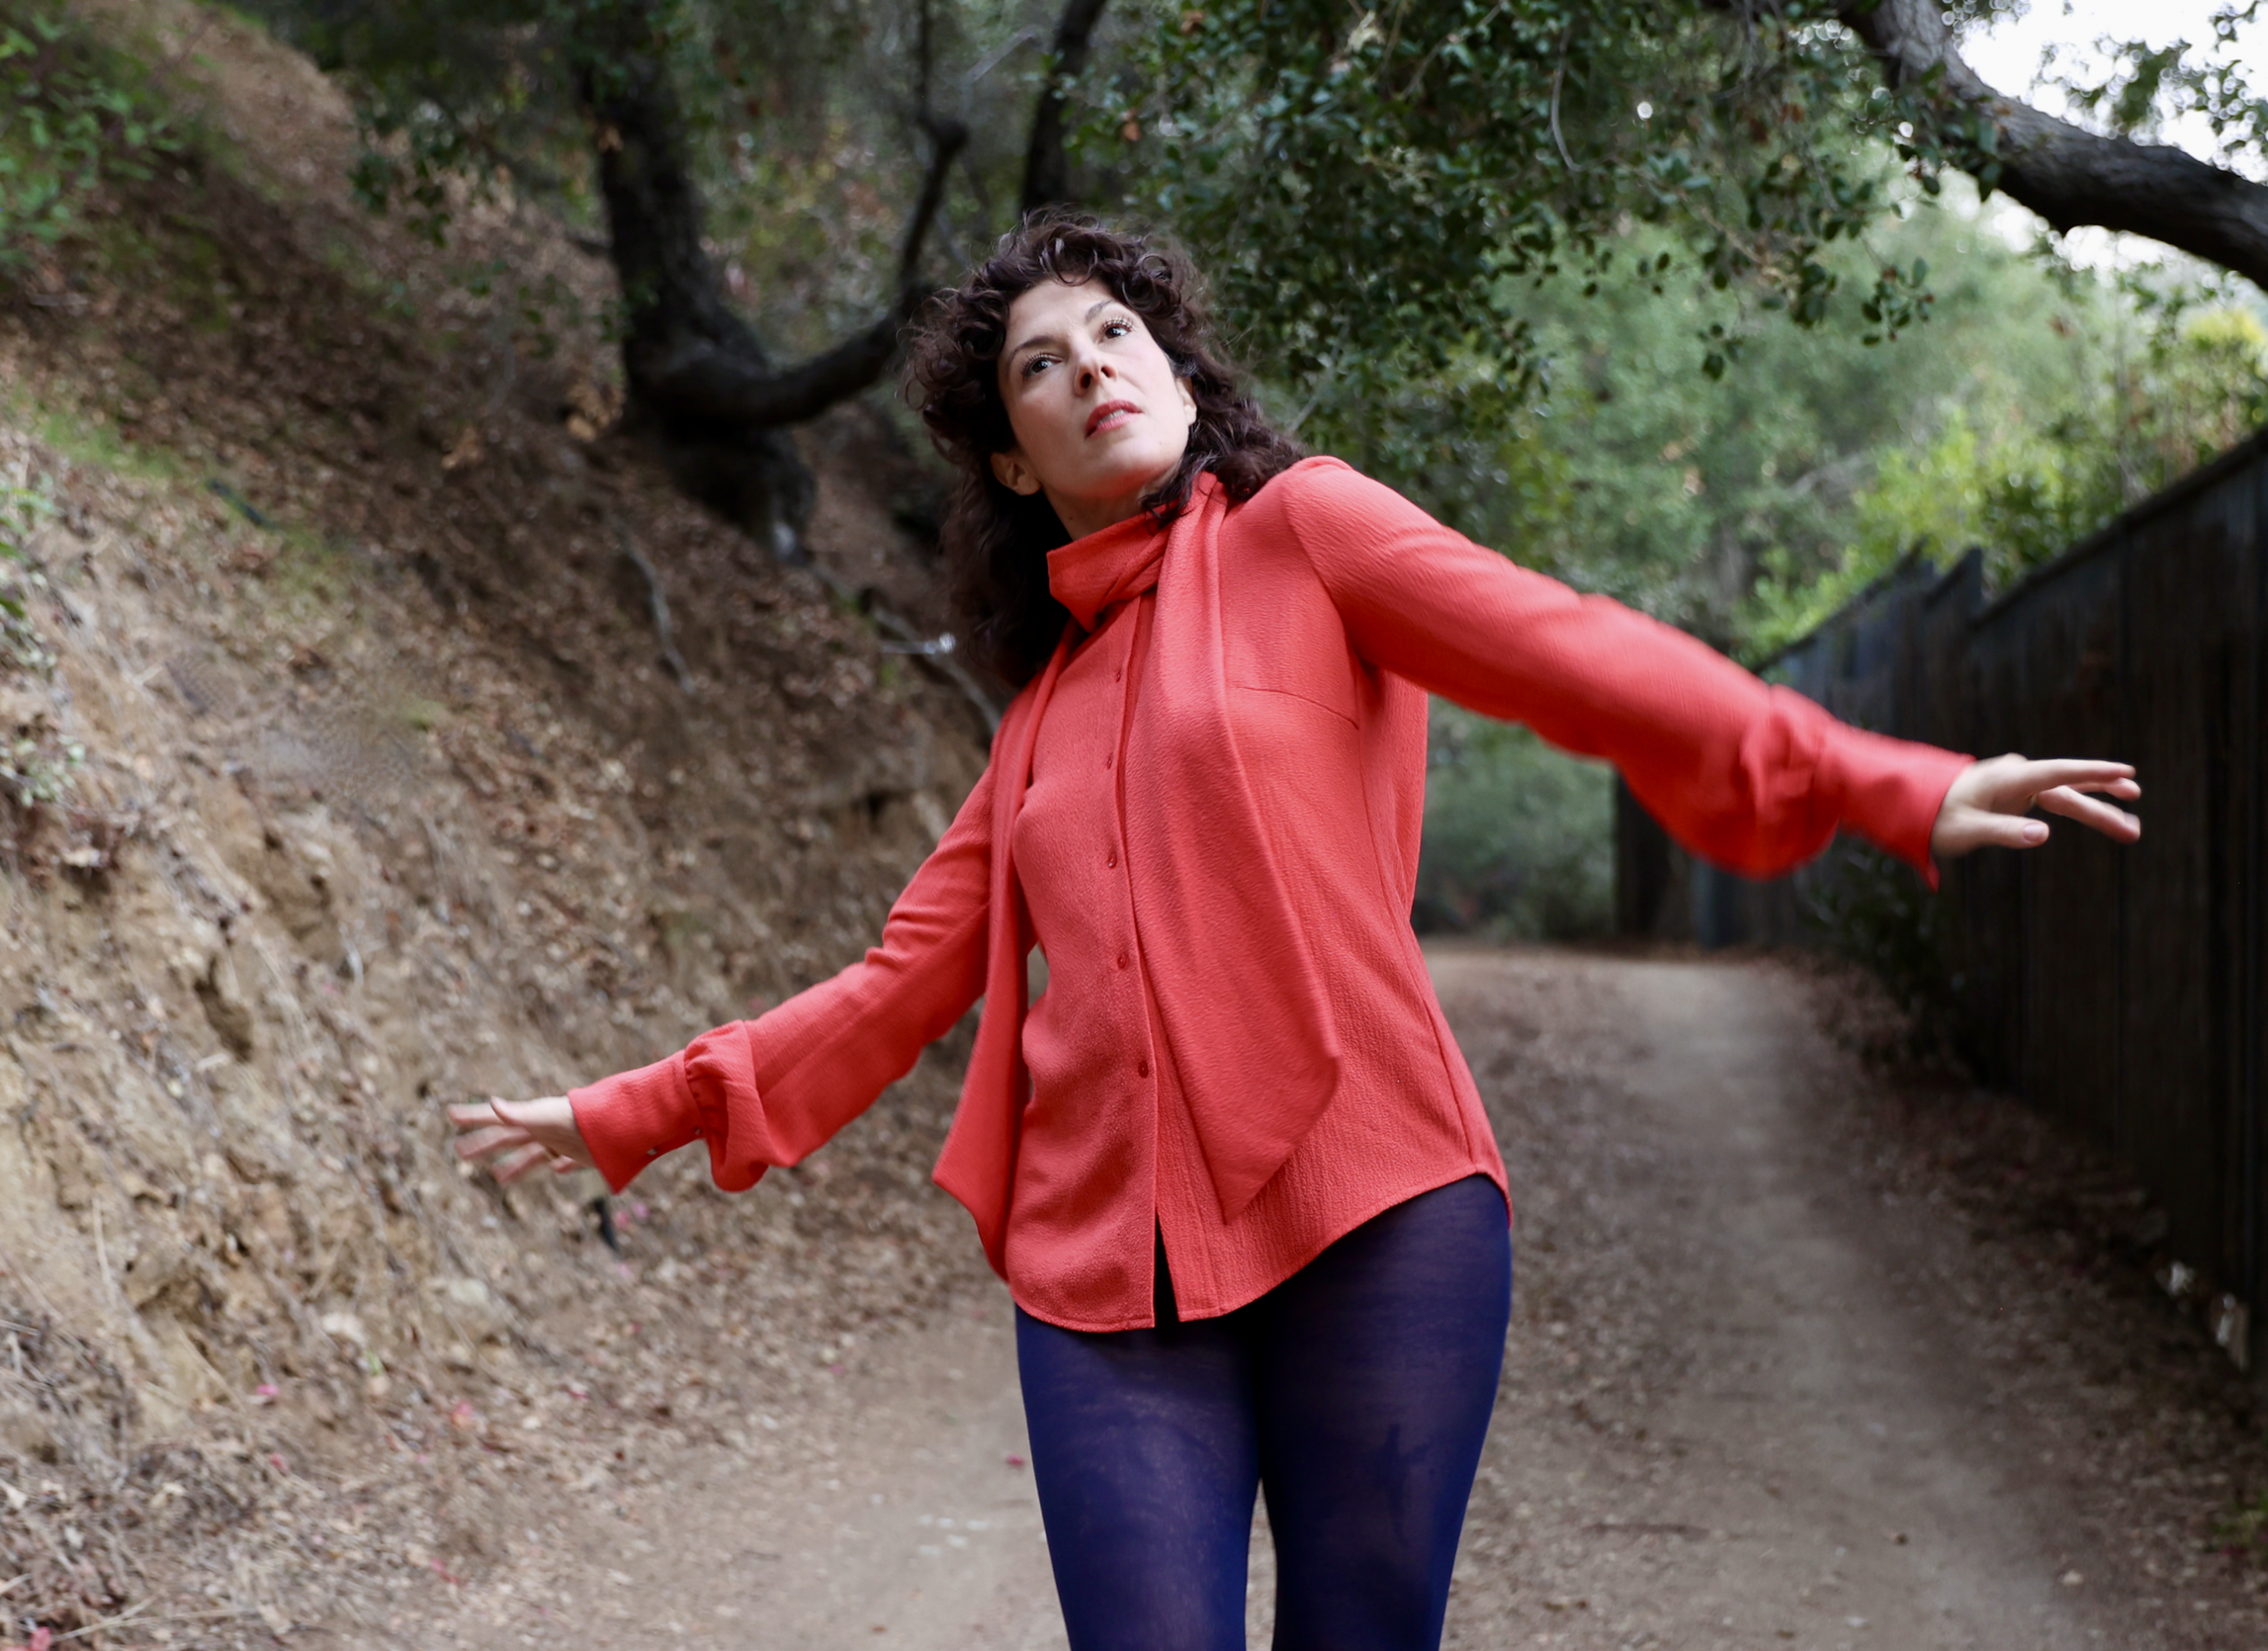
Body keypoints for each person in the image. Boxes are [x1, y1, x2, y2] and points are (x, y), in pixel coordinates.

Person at [449, 214, 2140, 1651]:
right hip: (1109, 1280)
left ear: (1183, 378)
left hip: (1377, 1208)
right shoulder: (1033, 726)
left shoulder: (1309, 534)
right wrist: (635, 1110)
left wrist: (1884, 780)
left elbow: (1572, 651)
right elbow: (898, 984)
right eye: (1042, 364)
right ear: (1007, 457)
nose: (1092, 368)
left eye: (1119, 335)